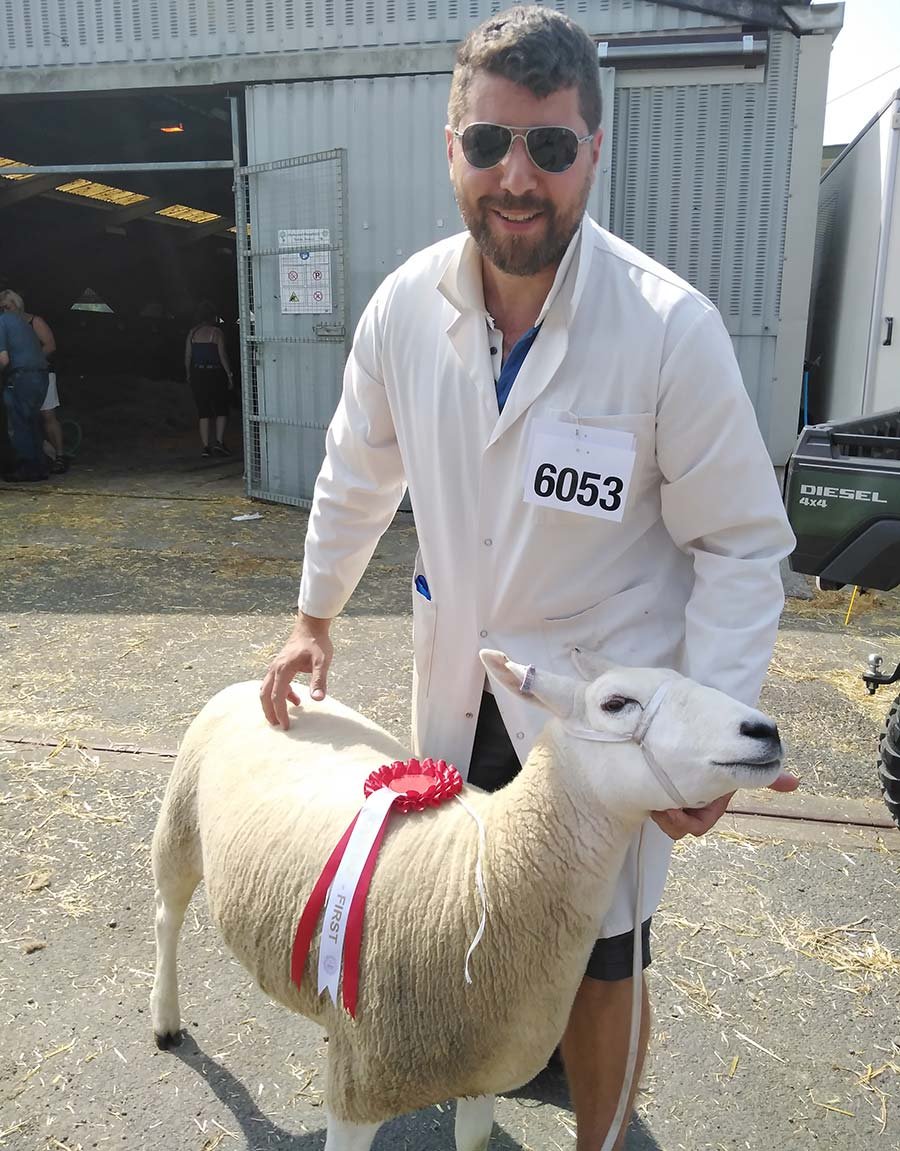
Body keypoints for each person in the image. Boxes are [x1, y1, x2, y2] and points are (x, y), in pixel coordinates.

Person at [260, 7, 799, 1147]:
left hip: (605, 714)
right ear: (449, 146)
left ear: (593, 152)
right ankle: (472, 1102)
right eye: (489, 142)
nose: (518, 176)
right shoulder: (408, 309)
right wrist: (313, 615)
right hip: (460, 685)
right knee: (461, 911)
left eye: (550, 147)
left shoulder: (666, 330)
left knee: (607, 953)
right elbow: (356, 471)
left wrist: (702, 732)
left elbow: (744, 546)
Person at [0, 290, 66, 474]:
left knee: (47, 415)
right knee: (29, 419)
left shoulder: (33, 321)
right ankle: (43, 458)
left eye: (7, 306)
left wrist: (31, 361)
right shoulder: (8, 324)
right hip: (25, 373)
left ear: (17, 304)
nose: (5, 310)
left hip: (39, 372)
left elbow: (50, 345)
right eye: (2, 308)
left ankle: (59, 456)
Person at [184, 301, 234, 457]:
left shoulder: (192, 333)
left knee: (203, 411)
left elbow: (187, 356)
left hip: (198, 374)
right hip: (216, 374)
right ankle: (219, 442)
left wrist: (188, 373)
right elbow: (222, 355)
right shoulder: (217, 333)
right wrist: (229, 374)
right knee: (221, 408)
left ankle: (205, 447)